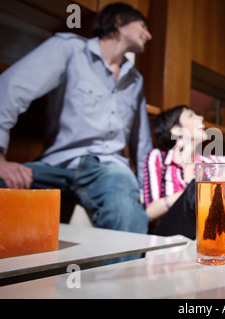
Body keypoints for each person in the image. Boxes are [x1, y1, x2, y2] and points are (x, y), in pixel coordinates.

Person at [0, 2, 153, 253]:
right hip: (57, 164)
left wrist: (146, 192)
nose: (148, 34)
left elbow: (142, 141)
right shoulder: (69, 49)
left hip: (109, 169)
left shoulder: (135, 80)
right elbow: (9, 90)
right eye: (143, 26)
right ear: (119, 23)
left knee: (127, 211)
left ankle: (121, 289)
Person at [144, 105, 225, 243]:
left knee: (205, 190)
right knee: (198, 189)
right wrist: (192, 191)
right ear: (176, 130)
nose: (201, 117)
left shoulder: (211, 162)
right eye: (191, 115)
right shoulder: (159, 157)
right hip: (165, 234)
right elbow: (150, 213)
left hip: (204, 232)